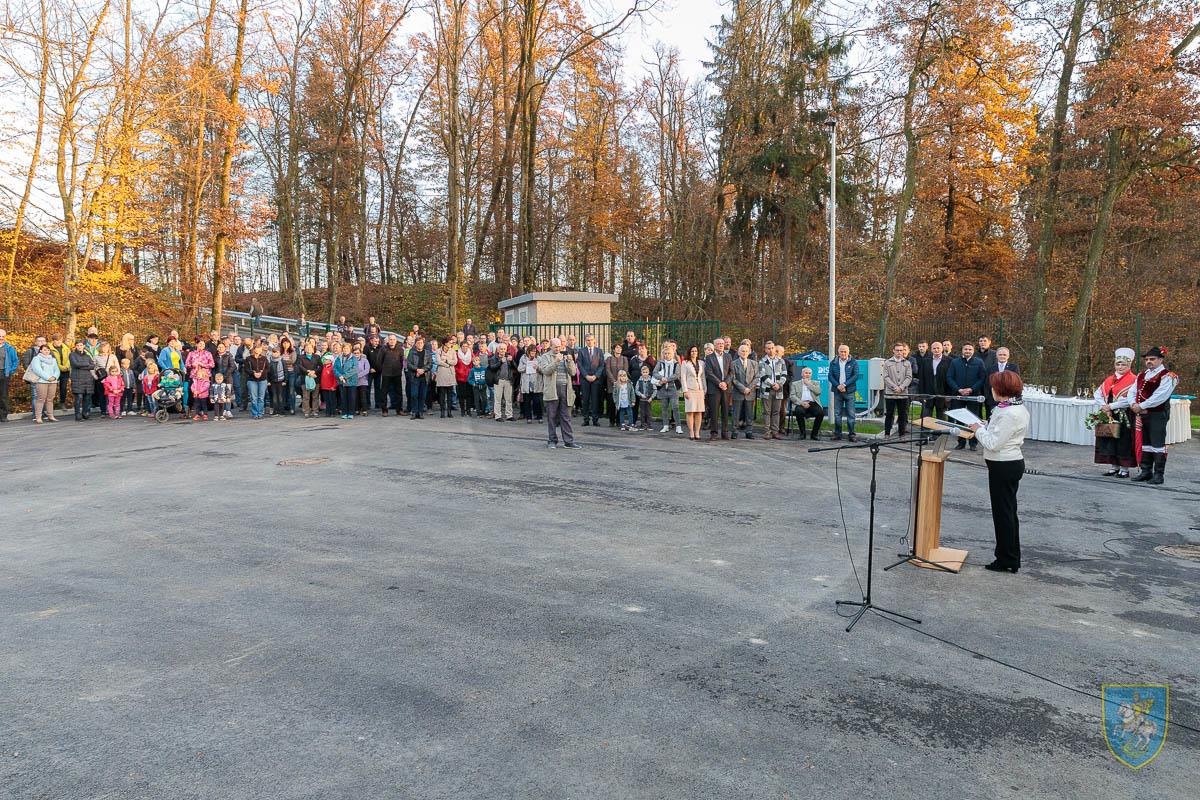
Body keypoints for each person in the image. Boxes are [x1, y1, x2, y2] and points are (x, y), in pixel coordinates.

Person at [968, 370, 1029, 574]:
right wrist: (984, 425)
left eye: (994, 387)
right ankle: (1010, 556)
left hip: (1004, 464)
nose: (991, 390)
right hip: (1006, 463)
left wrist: (977, 429)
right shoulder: (1009, 408)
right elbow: (998, 431)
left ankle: (1006, 559)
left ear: (1001, 390)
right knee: (1007, 512)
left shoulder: (1009, 413)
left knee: (1003, 514)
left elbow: (993, 443)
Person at [1129, 346, 1179, 485]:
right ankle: (1146, 471)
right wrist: (1132, 404)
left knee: (1157, 444)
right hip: (1142, 415)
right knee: (1145, 443)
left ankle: (1158, 475)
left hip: (1157, 415)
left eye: (1152, 359)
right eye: (1147, 359)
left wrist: (1141, 406)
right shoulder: (1141, 375)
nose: (1149, 361)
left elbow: (1161, 396)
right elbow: (1132, 391)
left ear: (1161, 360)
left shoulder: (1168, 376)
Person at [1092, 348, 1137, 478]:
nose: (1120, 367)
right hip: (1109, 414)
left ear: (1129, 365)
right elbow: (1098, 393)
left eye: (1123, 364)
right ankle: (1114, 466)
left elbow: (1130, 400)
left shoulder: (1134, 380)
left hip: (1124, 415)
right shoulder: (1109, 379)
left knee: (1123, 441)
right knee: (1109, 439)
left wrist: (1110, 406)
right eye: (1118, 364)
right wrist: (1103, 406)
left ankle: (1124, 468)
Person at [537, 338, 580, 449]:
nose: (558, 349)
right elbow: (545, 371)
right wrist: (556, 362)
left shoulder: (565, 356)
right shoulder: (545, 357)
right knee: (551, 417)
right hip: (552, 390)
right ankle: (552, 440)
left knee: (566, 417)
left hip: (566, 389)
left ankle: (568, 441)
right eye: (555, 347)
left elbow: (573, 372)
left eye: (559, 346)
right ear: (551, 346)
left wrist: (570, 361)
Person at [948, 343, 986, 451]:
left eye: (970, 349)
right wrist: (958, 389)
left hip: (973, 395)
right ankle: (961, 442)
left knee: (973, 419)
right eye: (966, 349)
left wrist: (972, 389)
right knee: (959, 419)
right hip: (959, 395)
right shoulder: (955, 362)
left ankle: (973, 443)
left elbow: (982, 378)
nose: (967, 351)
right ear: (962, 350)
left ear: (973, 351)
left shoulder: (979, 362)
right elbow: (949, 377)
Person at [704, 338, 733, 440]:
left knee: (725, 411)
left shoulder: (728, 356)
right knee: (714, 412)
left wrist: (725, 382)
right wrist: (719, 383)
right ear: (714, 346)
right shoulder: (709, 357)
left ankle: (725, 432)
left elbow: (731, 372)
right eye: (719, 344)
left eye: (722, 343)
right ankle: (714, 433)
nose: (721, 345)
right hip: (714, 388)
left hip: (726, 388)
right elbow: (709, 373)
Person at [882, 342, 913, 437]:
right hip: (890, 394)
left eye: (901, 350)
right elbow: (885, 377)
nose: (899, 352)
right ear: (893, 351)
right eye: (897, 350)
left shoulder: (907, 363)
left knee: (902, 415)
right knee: (889, 414)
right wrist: (894, 387)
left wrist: (901, 387)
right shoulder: (887, 363)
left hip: (903, 394)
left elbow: (909, 377)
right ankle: (887, 434)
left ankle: (901, 435)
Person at [758, 344, 788, 441]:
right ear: (765, 350)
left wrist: (779, 384)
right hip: (767, 389)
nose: (770, 350)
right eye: (768, 348)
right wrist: (772, 384)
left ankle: (775, 432)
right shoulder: (762, 361)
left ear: (775, 349)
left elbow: (784, 374)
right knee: (767, 412)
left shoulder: (781, 361)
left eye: (772, 348)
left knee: (776, 411)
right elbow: (762, 375)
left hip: (778, 389)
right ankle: (767, 432)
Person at [830, 344, 858, 442]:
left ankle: (852, 435)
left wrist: (844, 385)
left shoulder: (853, 362)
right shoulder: (833, 362)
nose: (843, 353)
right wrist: (838, 385)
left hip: (849, 391)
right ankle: (837, 434)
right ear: (838, 352)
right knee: (837, 414)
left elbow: (855, 376)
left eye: (845, 351)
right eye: (841, 351)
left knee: (851, 414)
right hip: (837, 391)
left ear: (848, 352)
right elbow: (830, 376)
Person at [653, 342, 682, 434]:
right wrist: (661, 378)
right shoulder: (660, 363)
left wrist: (667, 379)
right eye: (665, 353)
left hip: (673, 388)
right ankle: (665, 425)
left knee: (675, 407)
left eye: (669, 353)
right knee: (664, 407)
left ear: (672, 354)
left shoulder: (676, 363)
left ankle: (678, 426)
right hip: (663, 388)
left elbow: (677, 375)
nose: (667, 355)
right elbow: (654, 372)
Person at [730, 343, 758, 439]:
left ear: (749, 352)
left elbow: (756, 377)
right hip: (738, 392)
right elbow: (733, 379)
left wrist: (749, 388)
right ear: (738, 352)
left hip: (750, 393)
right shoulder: (733, 363)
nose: (744, 352)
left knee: (749, 414)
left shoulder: (754, 363)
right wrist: (743, 388)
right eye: (742, 351)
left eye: (746, 351)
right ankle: (734, 431)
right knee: (736, 413)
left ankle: (749, 431)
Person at [577, 334, 605, 426]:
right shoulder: (581, 351)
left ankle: (595, 419)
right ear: (585, 341)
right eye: (588, 340)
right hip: (585, 379)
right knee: (585, 399)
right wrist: (586, 376)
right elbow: (579, 365)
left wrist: (595, 376)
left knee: (595, 399)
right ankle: (586, 419)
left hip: (595, 379)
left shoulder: (599, 351)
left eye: (591, 340)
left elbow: (602, 365)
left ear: (594, 340)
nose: (589, 341)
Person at [680, 344, 706, 441]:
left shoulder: (701, 363)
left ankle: (697, 432)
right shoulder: (685, 363)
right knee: (690, 411)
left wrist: (704, 389)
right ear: (689, 352)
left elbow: (703, 377)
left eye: (695, 351)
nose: (694, 353)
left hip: (699, 390)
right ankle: (691, 431)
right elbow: (683, 378)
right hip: (690, 389)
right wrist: (685, 391)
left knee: (699, 411)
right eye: (692, 351)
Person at [29, 343, 61, 423]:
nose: (47, 351)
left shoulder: (53, 359)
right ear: (40, 350)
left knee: (50, 399)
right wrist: (48, 378)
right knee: (41, 399)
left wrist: (55, 377)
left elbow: (57, 370)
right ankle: (38, 417)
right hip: (42, 382)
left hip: (53, 382)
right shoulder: (36, 359)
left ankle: (51, 416)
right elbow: (37, 370)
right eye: (45, 350)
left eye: (48, 350)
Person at [918, 340, 949, 420]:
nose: (936, 350)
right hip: (928, 393)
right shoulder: (925, 361)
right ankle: (925, 429)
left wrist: (948, 394)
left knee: (941, 418)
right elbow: (921, 378)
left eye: (938, 348)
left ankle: (939, 429)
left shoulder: (949, 361)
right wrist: (921, 394)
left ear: (942, 349)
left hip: (942, 393)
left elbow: (950, 378)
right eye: (934, 348)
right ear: (931, 350)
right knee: (925, 418)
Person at [790, 366, 824, 440]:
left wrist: (809, 384)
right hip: (800, 403)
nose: (808, 374)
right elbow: (792, 396)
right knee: (799, 411)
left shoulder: (815, 383)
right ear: (802, 374)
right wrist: (801, 403)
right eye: (806, 373)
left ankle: (814, 434)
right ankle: (802, 433)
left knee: (821, 413)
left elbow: (818, 392)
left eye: (809, 373)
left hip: (812, 403)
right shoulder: (795, 384)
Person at [984, 347, 1020, 416]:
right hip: (993, 401)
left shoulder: (1014, 367)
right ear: (996, 356)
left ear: (1008, 356)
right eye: (1000, 355)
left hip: (1009, 400)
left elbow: (1016, 383)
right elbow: (987, 384)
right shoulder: (990, 368)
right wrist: (988, 397)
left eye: (1004, 355)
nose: (1002, 356)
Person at [377, 334, 406, 416]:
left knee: (398, 392)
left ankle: (399, 410)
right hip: (386, 374)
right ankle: (384, 410)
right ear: (388, 340)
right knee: (384, 392)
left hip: (397, 374)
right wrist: (383, 370)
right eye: (390, 339)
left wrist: (399, 369)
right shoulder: (383, 349)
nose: (392, 341)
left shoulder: (400, 349)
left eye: (394, 339)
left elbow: (402, 362)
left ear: (396, 341)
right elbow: (379, 361)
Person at [489, 342, 516, 421]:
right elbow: (492, 368)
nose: (502, 350)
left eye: (504, 349)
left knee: (509, 399)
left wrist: (512, 361)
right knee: (498, 399)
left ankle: (509, 415)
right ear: (498, 350)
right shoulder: (494, 358)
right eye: (501, 349)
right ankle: (498, 416)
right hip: (498, 380)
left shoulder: (508, 357)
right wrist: (500, 362)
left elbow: (515, 367)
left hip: (508, 380)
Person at [68, 340, 94, 420]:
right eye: (78, 345)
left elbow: (92, 366)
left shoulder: (87, 356)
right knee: (79, 397)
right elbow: (75, 364)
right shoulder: (72, 355)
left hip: (88, 379)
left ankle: (85, 414)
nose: (79, 347)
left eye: (81, 345)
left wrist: (81, 366)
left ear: (84, 346)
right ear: (75, 346)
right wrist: (87, 365)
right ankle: (77, 414)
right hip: (77, 379)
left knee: (87, 398)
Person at [604, 342, 629, 426]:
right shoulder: (609, 359)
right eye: (617, 347)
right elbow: (607, 370)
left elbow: (625, 370)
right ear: (614, 349)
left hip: (621, 384)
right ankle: (611, 421)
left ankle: (619, 421)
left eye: (620, 348)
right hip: (611, 384)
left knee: (620, 402)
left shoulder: (624, 359)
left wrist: (620, 381)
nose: (619, 349)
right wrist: (614, 381)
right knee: (611, 403)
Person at [243, 344, 270, 420]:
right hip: (252, 380)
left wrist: (262, 373)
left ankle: (260, 413)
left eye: (259, 349)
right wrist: (253, 373)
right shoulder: (248, 358)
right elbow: (246, 369)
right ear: (254, 349)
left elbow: (268, 368)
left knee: (261, 398)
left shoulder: (264, 358)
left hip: (262, 380)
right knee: (253, 398)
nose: (258, 350)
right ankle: (255, 413)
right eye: (257, 348)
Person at [406, 336, 430, 419]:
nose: (420, 344)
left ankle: (420, 412)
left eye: (421, 343)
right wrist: (417, 370)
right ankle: (414, 412)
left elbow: (430, 364)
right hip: (414, 376)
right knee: (414, 395)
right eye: (418, 343)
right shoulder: (411, 352)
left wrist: (423, 370)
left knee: (422, 395)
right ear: (415, 344)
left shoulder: (427, 353)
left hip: (424, 377)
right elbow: (409, 364)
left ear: (423, 344)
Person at [297, 341, 322, 418]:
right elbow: (299, 366)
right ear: (304, 349)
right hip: (305, 378)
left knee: (315, 396)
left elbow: (321, 367)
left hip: (315, 378)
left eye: (310, 347)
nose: (308, 349)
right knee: (306, 396)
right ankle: (306, 411)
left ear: (313, 349)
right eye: (307, 347)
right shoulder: (300, 357)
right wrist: (307, 372)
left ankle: (315, 411)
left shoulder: (317, 357)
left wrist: (314, 371)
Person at [519, 344, 543, 423]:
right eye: (532, 352)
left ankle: (539, 416)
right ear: (528, 351)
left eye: (534, 352)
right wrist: (525, 366)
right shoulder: (523, 358)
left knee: (537, 401)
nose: (533, 353)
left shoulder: (539, 358)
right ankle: (528, 417)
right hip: (527, 383)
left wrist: (537, 367)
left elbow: (543, 370)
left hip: (536, 382)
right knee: (527, 401)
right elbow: (519, 368)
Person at [435, 341, 459, 418]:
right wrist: (447, 365)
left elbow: (455, 361)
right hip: (442, 373)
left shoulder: (452, 351)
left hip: (450, 374)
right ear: (445, 343)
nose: (450, 344)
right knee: (442, 394)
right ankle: (442, 411)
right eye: (449, 343)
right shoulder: (438, 351)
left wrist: (447, 361)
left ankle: (449, 411)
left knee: (450, 394)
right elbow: (438, 361)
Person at [48, 333, 71, 408]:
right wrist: (60, 367)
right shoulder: (49, 348)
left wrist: (66, 366)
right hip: (54, 371)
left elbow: (69, 358)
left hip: (65, 371)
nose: (59, 342)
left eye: (60, 340)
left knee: (63, 388)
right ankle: (50, 403)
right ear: (53, 341)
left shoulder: (66, 348)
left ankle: (62, 402)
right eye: (57, 340)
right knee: (52, 388)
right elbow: (52, 360)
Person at [0, 329, 16, 423]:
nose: (1, 338)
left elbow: (15, 361)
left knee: (3, 395)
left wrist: (10, 371)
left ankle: (3, 416)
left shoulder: (9, 348)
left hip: (4, 373)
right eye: (0, 336)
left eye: (3, 336)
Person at [635, 364, 656, 431]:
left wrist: (651, 397)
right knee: (642, 413)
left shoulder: (651, 381)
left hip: (649, 399)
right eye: (643, 372)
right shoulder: (639, 381)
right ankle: (643, 425)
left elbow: (655, 390)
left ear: (648, 372)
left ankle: (649, 425)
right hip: (642, 399)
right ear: (641, 373)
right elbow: (636, 390)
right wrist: (641, 394)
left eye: (646, 372)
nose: (645, 374)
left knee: (648, 413)